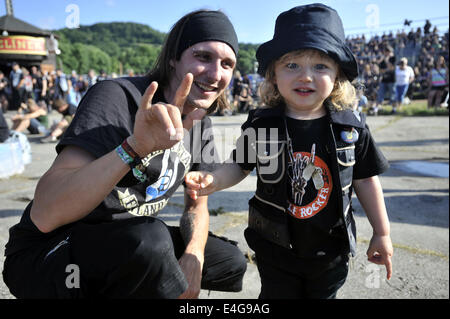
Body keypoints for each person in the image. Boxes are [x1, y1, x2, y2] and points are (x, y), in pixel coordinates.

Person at [3, 9, 247, 299]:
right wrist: (134, 148)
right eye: (203, 56)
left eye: (227, 64)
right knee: (151, 244)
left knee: (229, 261)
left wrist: (194, 255)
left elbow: (197, 204)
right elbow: (45, 213)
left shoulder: (199, 121)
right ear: (173, 58)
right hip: (47, 253)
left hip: (129, 240)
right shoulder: (116, 96)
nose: (216, 74)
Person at [185, 4, 393, 299]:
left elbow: (366, 180)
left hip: (330, 251)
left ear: (337, 77)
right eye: (292, 65)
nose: (305, 76)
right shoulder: (261, 124)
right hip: (274, 250)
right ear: (273, 76)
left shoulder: (351, 129)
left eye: (320, 66)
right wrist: (214, 181)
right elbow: (240, 166)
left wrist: (381, 233)